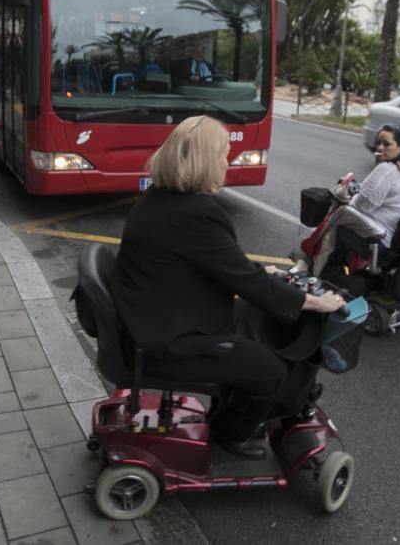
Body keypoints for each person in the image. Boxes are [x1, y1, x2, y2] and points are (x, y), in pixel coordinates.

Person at [113, 116, 345, 459]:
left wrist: (257, 270)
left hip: (158, 317)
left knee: (259, 321)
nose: (227, 161)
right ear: (206, 159)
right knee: (269, 371)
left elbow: (219, 262)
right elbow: (245, 282)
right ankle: (231, 434)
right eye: (223, 154)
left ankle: (242, 404)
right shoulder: (198, 212)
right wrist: (313, 303)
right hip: (167, 341)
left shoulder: (159, 200)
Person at [295, 124, 400, 276]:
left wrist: (345, 195)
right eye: (378, 142)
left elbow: (363, 206)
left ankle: (319, 272)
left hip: (381, 245)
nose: (380, 147)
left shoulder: (386, 169)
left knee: (334, 225)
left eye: (387, 144)